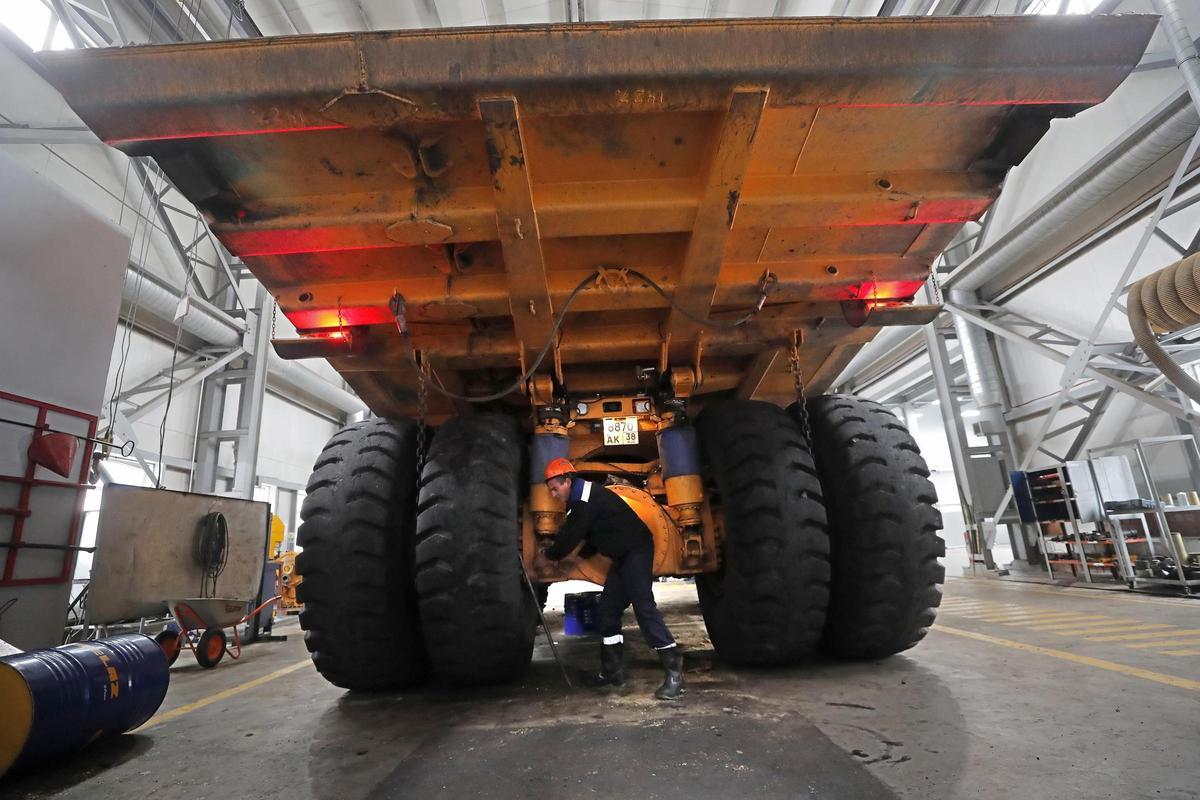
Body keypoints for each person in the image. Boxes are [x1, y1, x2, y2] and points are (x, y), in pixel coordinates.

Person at [536, 457, 685, 700]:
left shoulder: (584, 500)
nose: (553, 494)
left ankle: (674, 676)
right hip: (623, 557)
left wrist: (549, 556)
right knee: (607, 610)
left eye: (555, 488)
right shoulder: (585, 498)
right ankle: (611, 671)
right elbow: (597, 533)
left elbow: (570, 537)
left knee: (644, 607)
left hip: (636, 551)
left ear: (568, 480)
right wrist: (580, 557)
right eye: (550, 490)